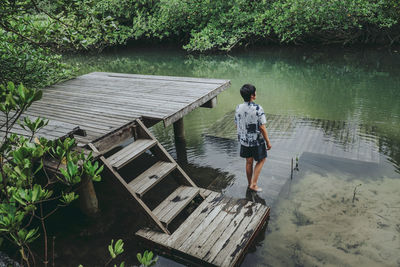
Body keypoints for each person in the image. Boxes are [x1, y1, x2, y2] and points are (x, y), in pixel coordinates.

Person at [234, 84, 272, 192]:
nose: (256, 93)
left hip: (244, 141)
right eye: (255, 92)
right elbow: (262, 127)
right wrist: (268, 142)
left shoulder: (238, 107)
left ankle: (249, 183)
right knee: (262, 159)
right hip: (256, 141)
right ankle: (253, 184)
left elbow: (236, 124)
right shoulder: (258, 108)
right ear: (252, 95)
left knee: (249, 161)